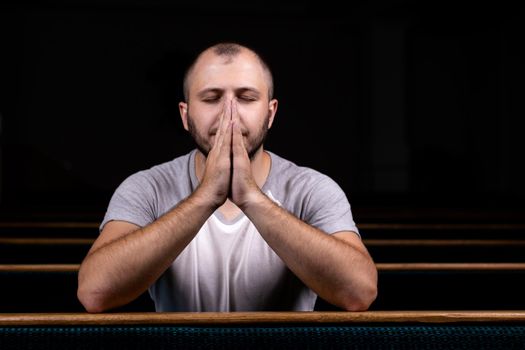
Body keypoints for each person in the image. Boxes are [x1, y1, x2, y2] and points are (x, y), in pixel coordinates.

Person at [77, 42, 378, 313]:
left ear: (270, 114)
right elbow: (95, 292)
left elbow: (359, 292)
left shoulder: (312, 188)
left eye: (246, 98)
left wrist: (251, 198)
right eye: (211, 99)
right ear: (185, 114)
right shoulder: (146, 187)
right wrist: (205, 197)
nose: (228, 114)